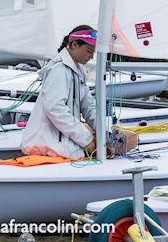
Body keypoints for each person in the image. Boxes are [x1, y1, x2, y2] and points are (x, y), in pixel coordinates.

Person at [20, 25, 139, 159]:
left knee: (131, 139)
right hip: (47, 146)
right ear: (74, 45)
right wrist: (86, 138)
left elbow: (89, 107)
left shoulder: (78, 72)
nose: (91, 56)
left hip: (61, 144)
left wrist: (103, 133)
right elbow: (55, 108)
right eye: (89, 51)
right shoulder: (59, 70)